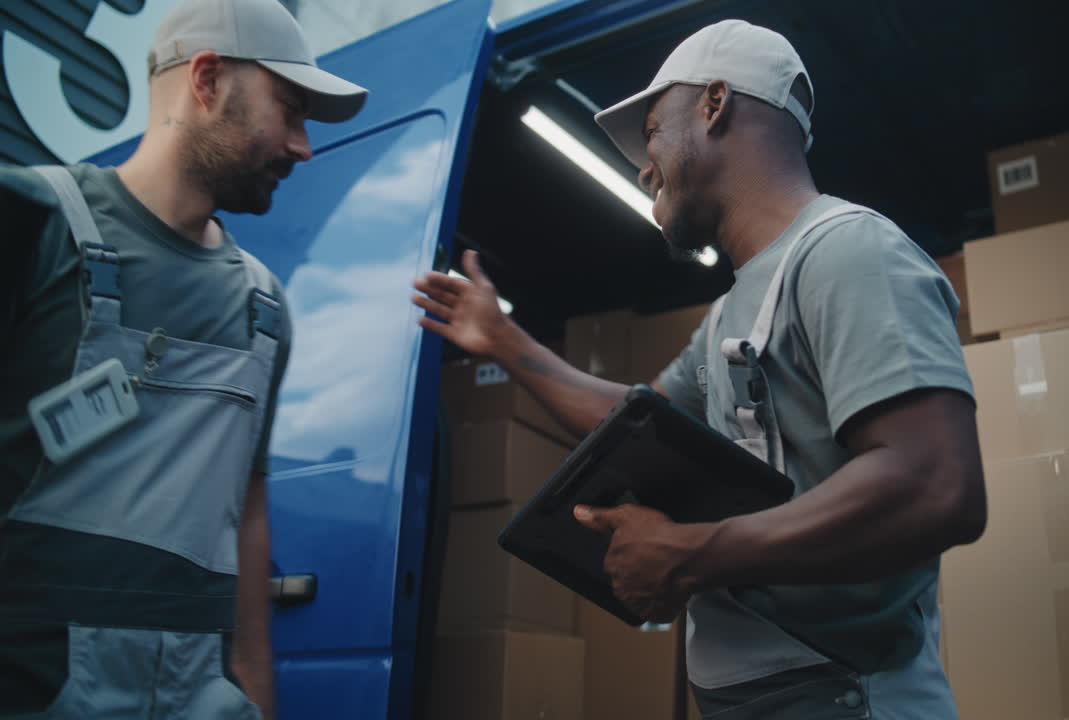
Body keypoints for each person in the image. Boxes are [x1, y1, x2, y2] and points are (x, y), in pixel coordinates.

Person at [412, 19, 985, 720]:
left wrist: (692, 553)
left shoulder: (848, 250)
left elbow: (937, 484)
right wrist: (504, 341)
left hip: (843, 697)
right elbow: (635, 423)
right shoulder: (729, 313)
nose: (644, 167)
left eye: (653, 131)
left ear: (715, 104)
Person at [0, 0, 366, 717]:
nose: (303, 147)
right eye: (290, 110)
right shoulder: (33, 226)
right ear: (207, 80)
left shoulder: (265, 307)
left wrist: (256, 699)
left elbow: (246, 515)